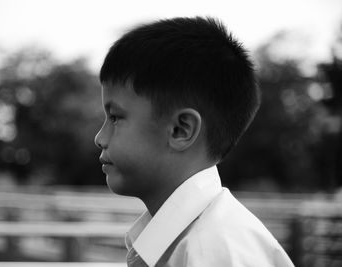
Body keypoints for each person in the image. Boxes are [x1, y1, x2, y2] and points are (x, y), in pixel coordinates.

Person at [94, 16, 294, 267]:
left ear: (181, 130)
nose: (99, 137)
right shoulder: (195, 239)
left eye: (115, 117)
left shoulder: (214, 252)